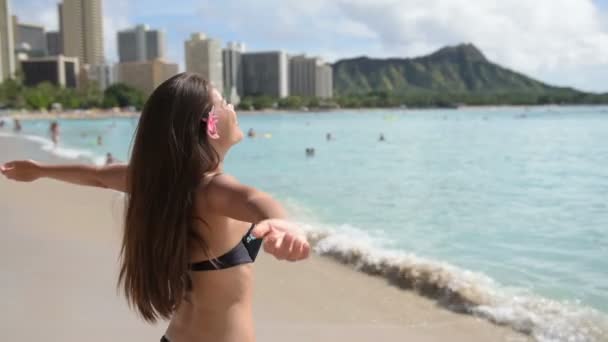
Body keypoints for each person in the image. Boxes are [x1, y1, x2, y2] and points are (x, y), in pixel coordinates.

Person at [1, 73, 310, 342]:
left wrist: (40, 169)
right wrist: (282, 222)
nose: (232, 107)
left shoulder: (160, 185)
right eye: (223, 103)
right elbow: (255, 200)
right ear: (210, 126)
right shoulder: (211, 190)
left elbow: (95, 176)